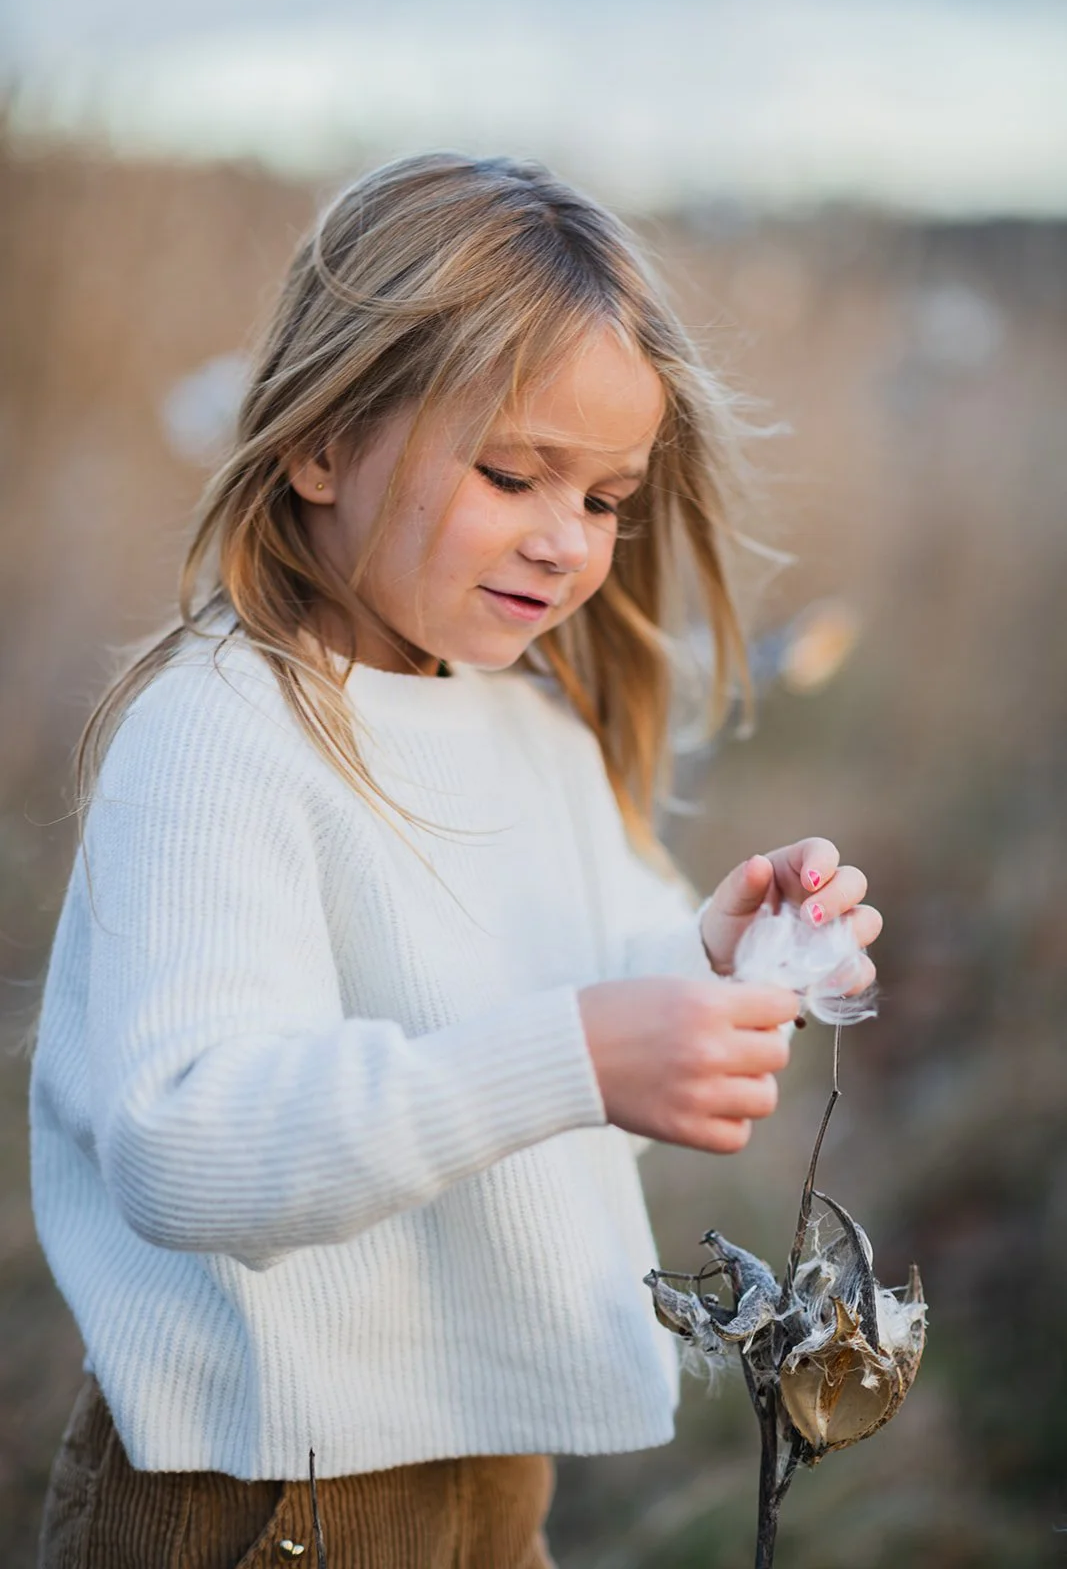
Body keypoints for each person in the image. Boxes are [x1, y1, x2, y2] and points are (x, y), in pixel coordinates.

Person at [29, 151, 881, 1569]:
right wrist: (583, 1051)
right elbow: (186, 1144)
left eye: (606, 498)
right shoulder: (220, 732)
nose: (566, 542)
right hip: (261, 1499)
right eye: (510, 474)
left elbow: (571, 1020)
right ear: (319, 443)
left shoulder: (534, 729)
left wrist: (712, 967)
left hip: (493, 1478)